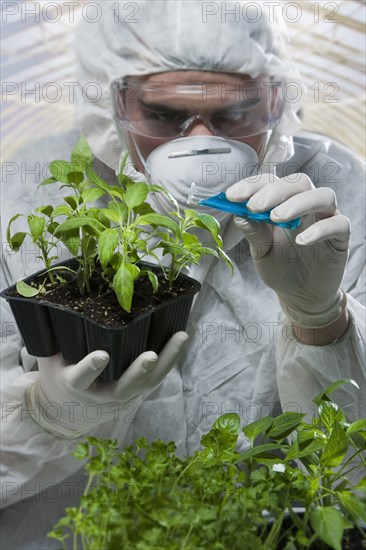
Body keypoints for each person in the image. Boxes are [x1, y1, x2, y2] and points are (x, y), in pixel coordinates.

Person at [1, 1, 365, 547]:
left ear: (276, 100)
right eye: (165, 116)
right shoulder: (26, 195)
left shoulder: (335, 193)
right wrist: (42, 414)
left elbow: (352, 474)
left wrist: (322, 320)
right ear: (110, 102)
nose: (201, 142)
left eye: (233, 115)